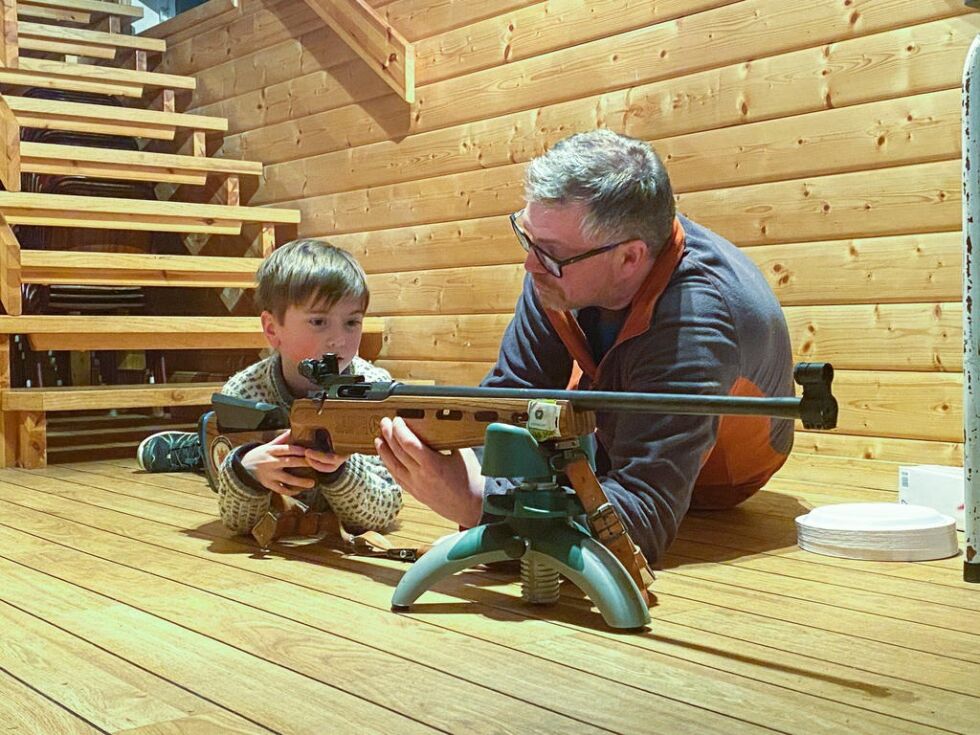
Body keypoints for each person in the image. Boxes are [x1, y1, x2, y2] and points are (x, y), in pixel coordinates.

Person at [374, 129, 794, 566]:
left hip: (718, 479)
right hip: (621, 432)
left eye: (550, 252)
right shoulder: (558, 272)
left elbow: (644, 518)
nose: (530, 264)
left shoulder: (700, 317)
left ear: (629, 258)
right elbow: (510, 399)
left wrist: (480, 502)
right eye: (529, 238)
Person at [137, 240, 403, 536]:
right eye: (318, 321)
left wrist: (339, 471)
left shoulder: (378, 391)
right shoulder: (243, 393)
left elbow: (383, 512)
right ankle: (198, 451)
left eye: (352, 322)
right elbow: (237, 522)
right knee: (221, 458)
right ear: (272, 330)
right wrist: (245, 472)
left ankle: (200, 451)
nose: (338, 339)